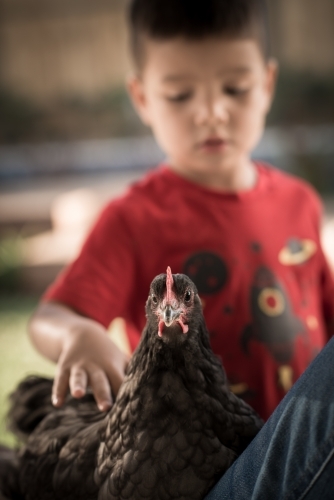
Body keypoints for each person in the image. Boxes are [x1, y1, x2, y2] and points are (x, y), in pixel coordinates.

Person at [29, 0, 334, 426]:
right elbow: (51, 317)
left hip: (306, 444)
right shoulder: (132, 219)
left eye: (235, 88)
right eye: (179, 95)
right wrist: (79, 333)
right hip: (203, 464)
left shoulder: (300, 201)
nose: (211, 113)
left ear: (267, 84)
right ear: (142, 98)